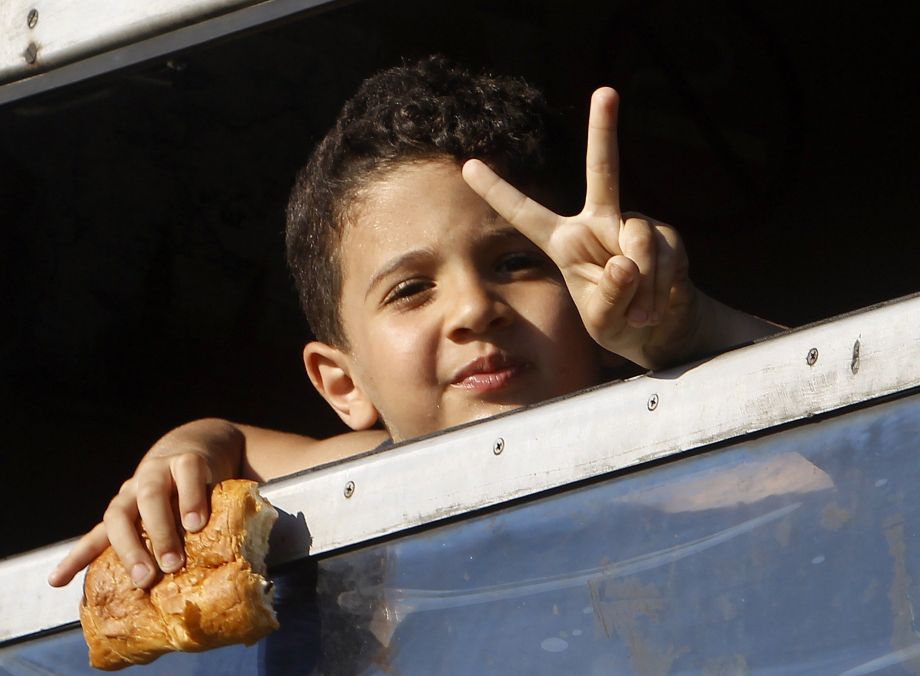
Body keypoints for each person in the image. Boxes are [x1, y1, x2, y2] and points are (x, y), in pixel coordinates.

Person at [48, 56, 778, 590]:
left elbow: (840, 447)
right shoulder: (369, 474)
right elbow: (233, 442)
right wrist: (182, 453)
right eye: (410, 290)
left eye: (516, 262)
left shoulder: (676, 452)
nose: (473, 310)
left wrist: (685, 334)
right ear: (342, 382)